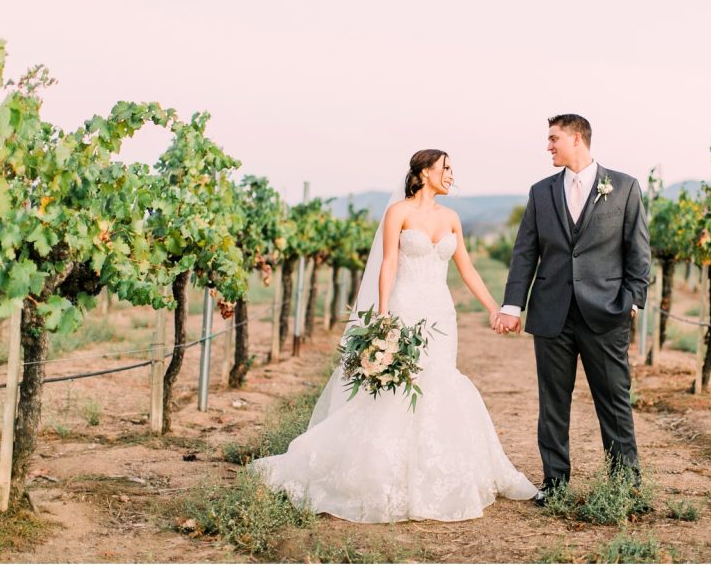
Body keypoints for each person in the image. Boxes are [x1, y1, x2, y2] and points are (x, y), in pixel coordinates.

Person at [249, 149, 537, 523]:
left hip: (440, 314)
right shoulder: (398, 213)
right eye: (445, 168)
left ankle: (435, 473)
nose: (451, 175)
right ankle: (384, 472)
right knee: (401, 386)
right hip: (405, 307)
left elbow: (465, 268)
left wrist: (493, 308)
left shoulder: (452, 218)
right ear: (423, 172)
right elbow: (386, 264)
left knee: (439, 381)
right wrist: (383, 315)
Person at [495, 114, 651, 506]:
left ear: (577, 138)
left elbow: (638, 251)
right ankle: (555, 483)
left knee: (614, 400)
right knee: (553, 404)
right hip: (552, 313)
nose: (548, 146)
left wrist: (632, 301)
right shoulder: (541, 192)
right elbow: (525, 252)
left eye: (554, 138)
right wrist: (513, 304)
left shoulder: (625, 187)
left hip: (606, 313)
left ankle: (624, 484)